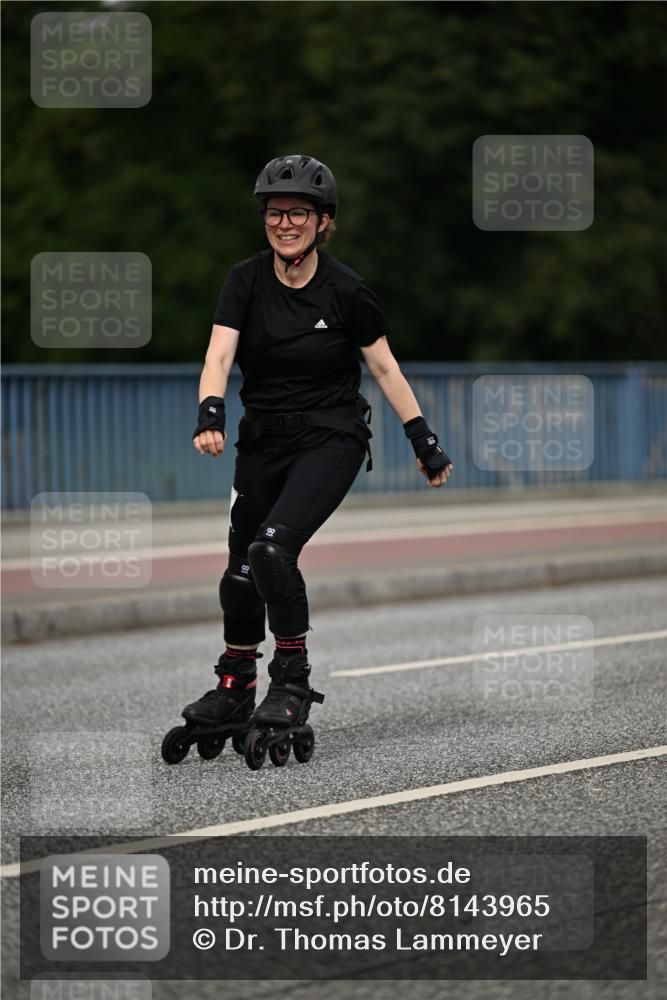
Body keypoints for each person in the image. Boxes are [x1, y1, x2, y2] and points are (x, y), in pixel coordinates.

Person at [183, 154, 453, 749]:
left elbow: (383, 367)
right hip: (263, 439)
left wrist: (422, 439)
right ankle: (235, 683)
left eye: (299, 214)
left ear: (323, 221)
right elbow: (219, 356)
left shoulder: (346, 290)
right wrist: (211, 412)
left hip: (331, 438)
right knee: (239, 574)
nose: (286, 223)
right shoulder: (245, 280)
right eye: (276, 213)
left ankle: (292, 679)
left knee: (273, 552)